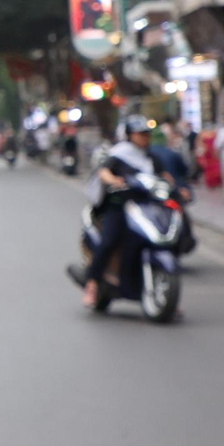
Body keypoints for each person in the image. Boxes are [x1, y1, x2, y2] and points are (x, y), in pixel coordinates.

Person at [75, 115, 158, 308]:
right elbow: (104, 172)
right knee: (109, 240)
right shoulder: (119, 155)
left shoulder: (151, 157)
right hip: (119, 206)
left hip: (145, 208)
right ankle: (93, 284)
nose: (145, 138)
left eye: (147, 134)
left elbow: (164, 176)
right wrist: (114, 181)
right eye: (141, 134)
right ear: (130, 135)